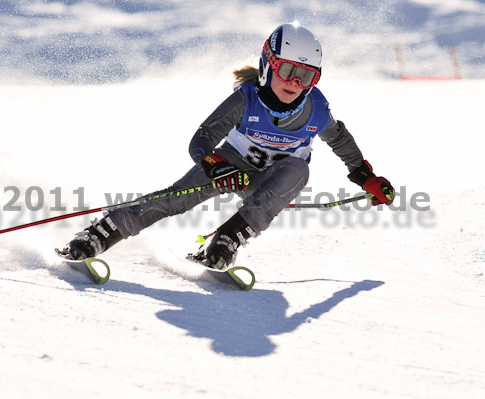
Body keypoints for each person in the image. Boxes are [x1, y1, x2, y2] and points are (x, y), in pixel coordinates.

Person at [58, 23, 395, 269]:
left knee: (298, 168)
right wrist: (216, 164)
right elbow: (202, 138)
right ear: (268, 65)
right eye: (288, 70)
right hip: (230, 165)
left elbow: (339, 139)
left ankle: (228, 238)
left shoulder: (316, 109)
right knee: (176, 199)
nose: (295, 83)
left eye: (305, 76)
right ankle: (103, 232)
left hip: (271, 182)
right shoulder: (245, 100)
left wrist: (365, 177)